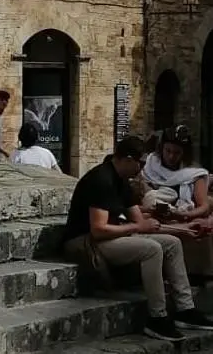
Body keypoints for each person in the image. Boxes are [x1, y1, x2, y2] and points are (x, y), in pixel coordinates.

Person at [62, 134, 213, 341]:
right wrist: (138, 226)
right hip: (88, 241)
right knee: (151, 250)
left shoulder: (123, 181)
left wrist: (185, 230)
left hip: (110, 236)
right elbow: (99, 229)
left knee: (172, 244)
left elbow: (141, 222)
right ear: (128, 159)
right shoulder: (101, 179)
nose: (142, 169)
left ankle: (185, 309)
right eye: (140, 163)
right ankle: (157, 317)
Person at [142, 127, 213, 278]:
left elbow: (204, 205)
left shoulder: (194, 173)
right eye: (168, 151)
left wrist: (183, 214)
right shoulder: (151, 166)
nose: (171, 156)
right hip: (154, 214)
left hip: (182, 215)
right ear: (162, 149)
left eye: (177, 153)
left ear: (184, 154)